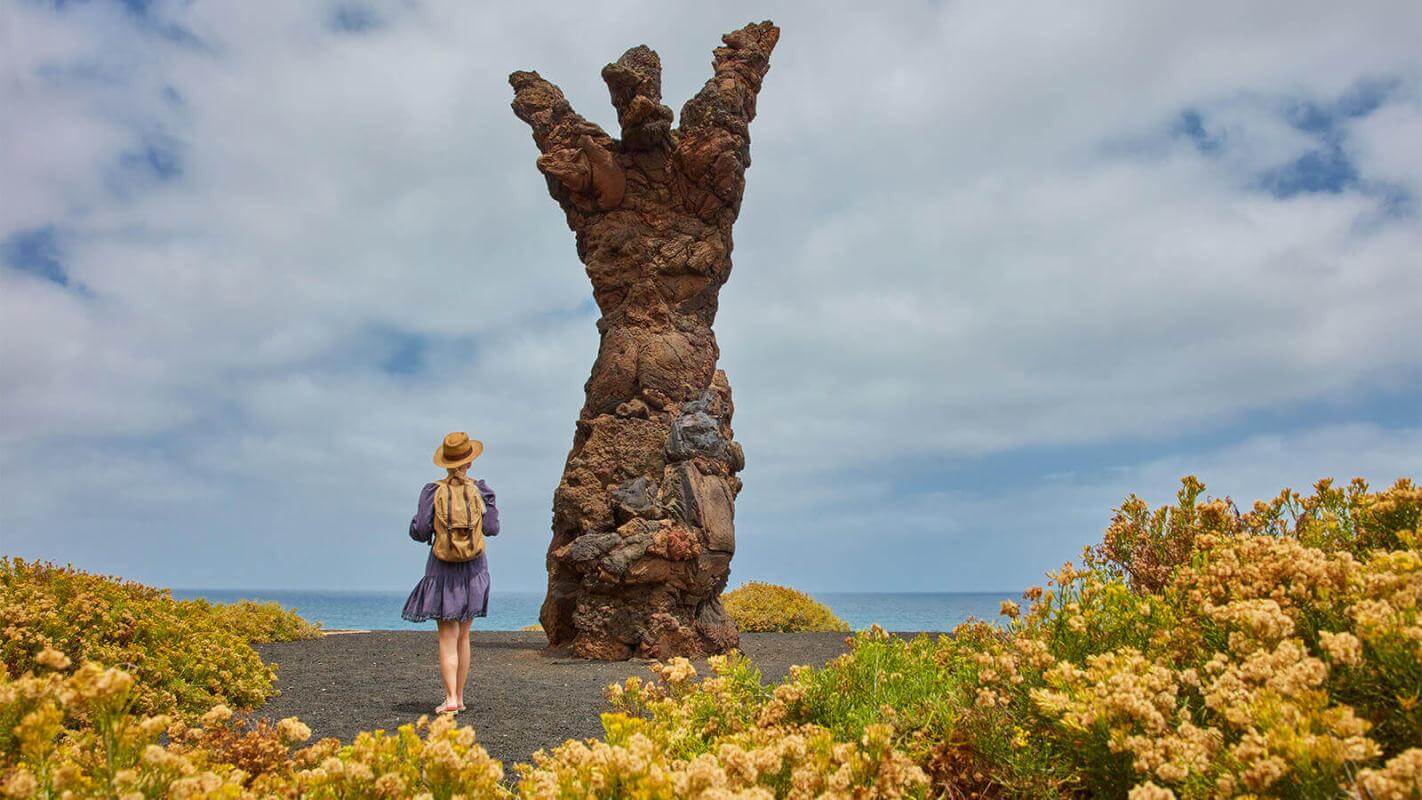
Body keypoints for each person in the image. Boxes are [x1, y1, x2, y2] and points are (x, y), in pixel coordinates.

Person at [402, 431, 499, 715]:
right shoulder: (482, 490)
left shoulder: (432, 491)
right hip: (473, 568)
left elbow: (420, 531)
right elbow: (492, 529)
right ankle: (460, 695)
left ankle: (450, 700)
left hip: (442, 568)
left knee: (447, 636)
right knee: (463, 636)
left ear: (445, 462)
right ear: (469, 461)